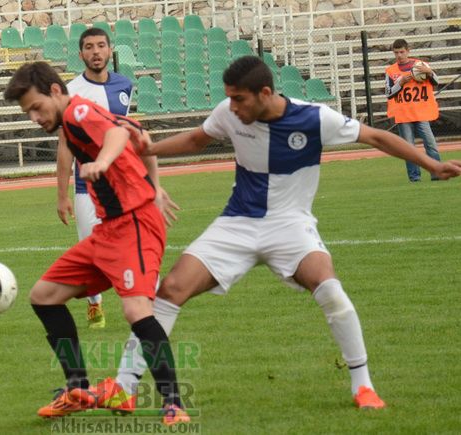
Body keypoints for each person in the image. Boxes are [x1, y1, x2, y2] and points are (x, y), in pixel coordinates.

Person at [97, 55, 461, 411]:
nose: (232, 106)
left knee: (329, 288)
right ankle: (125, 388)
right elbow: (196, 139)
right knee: (171, 289)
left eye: (239, 99)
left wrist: (432, 163)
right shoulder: (229, 111)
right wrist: (151, 148)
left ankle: (363, 384)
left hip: (290, 225)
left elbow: (377, 137)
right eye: (230, 98)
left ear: (265, 92)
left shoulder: (316, 118)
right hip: (237, 223)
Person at [3, 61, 189, 426]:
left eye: (37, 107)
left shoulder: (78, 111)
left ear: (55, 91)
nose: (35, 118)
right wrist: (154, 185)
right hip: (109, 229)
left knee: (136, 311)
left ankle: (174, 403)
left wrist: (104, 162)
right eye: (28, 113)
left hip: (134, 223)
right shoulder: (75, 118)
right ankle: (78, 388)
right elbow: (139, 134)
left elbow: (118, 139)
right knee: (43, 295)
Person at [57, 28, 179, 329]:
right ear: (81, 54)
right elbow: (65, 147)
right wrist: (61, 195)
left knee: (136, 245)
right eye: (89, 47)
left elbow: (132, 137)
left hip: (127, 185)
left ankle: (149, 303)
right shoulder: (71, 91)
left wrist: (154, 186)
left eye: (101, 46)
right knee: (92, 249)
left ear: (110, 50)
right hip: (88, 187)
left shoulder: (125, 85)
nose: (96, 52)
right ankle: (94, 304)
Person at [386, 38, 442, 182]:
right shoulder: (391, 71)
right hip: (403, 115)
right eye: (396, 52)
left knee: (431, 145)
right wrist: (400, 83)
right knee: (408, 149)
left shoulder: (421, 65)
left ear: (408, 51)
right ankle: (414, 178)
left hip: (420, 112)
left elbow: (436, 82)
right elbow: (388, 93)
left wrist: (429, 72)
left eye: (401, 52)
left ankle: (437, 174)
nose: (399, 55)